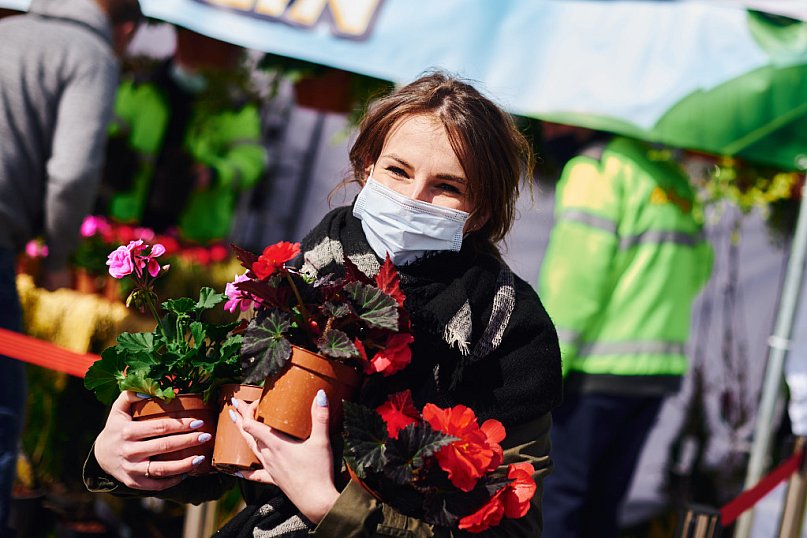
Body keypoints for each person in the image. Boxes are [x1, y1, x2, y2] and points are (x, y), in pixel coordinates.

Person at [84, 72, 563, 536]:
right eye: (398, 171)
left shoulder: (511, 326)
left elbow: (512, 529)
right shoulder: (308, 269)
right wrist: (124, 457)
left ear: (481, 210)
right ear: (366, 167)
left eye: (448, 186)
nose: (413, 198)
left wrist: (329, 506)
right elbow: (231, 448)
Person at [0, 0, 141, 534]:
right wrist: (57, 257)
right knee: (1, 409)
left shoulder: (8, 31)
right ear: (126, 29)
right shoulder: (91, 54)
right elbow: (73, 172)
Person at [538, 131, 713, 537]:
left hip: (592, 372)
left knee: (560, 500)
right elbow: (699, 269)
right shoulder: (671, 178)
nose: (546, 127)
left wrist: (547, 368)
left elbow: (577, 280)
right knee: (604, 506)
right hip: (655, 372)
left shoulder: (596, 169)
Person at [99, 27, 266, 244]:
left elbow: (250, 161)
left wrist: (214, 174)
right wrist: (112, 152)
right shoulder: (140, 88)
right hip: (127, 221)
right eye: (193, 40)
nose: (199, 51)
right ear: (179, 38)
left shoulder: (234, 108)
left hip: (194, 235)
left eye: (211, 46)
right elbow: (107, 131)